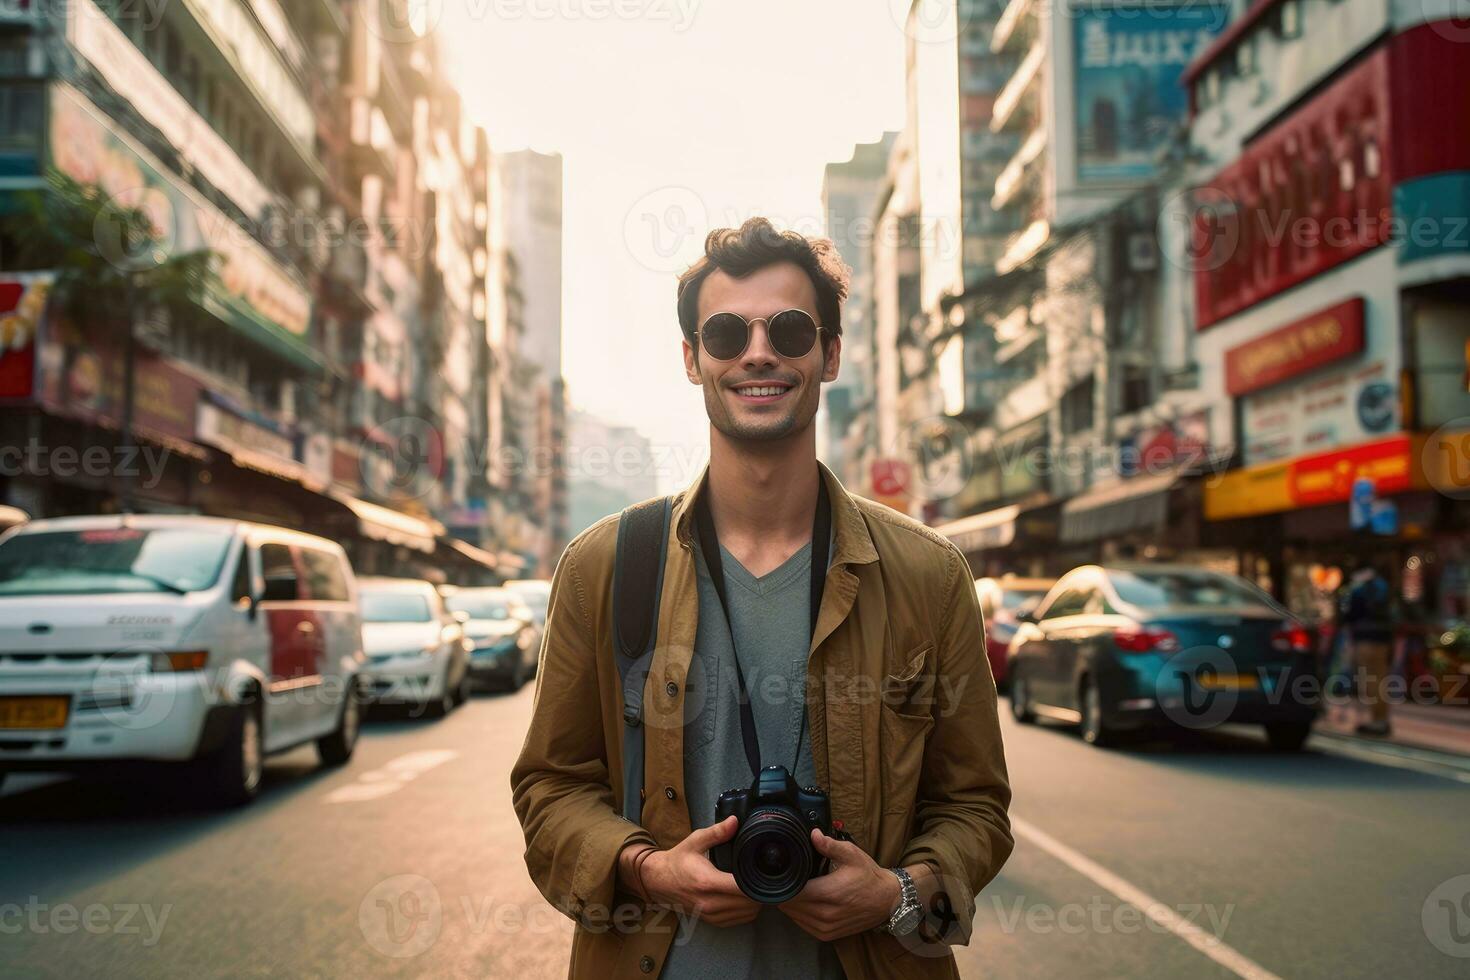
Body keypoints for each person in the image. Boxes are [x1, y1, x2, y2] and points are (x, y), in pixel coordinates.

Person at [510, 218, 1013, 979]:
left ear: (830, 353)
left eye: (788, 329)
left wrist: (896, 893)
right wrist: (649, 870)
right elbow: (550, 787)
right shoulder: (607, 566)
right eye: (724, 333)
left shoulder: (928, 574)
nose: (757, 353)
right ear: (692, 359)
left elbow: (976, 806)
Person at [1342, 563, 1394, 736]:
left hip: (1365, 640)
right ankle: (1380, 719)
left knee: (1371, 681)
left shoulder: (1359, 589)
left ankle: (1377, 721)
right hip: (1383, 640)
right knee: (1379, 679)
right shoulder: (1383, 587)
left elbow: (1349, 614)